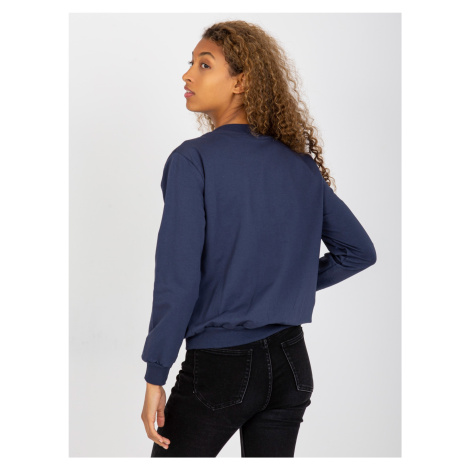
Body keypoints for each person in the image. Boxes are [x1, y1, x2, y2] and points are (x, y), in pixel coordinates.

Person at [140, 20, 377, 457]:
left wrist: (156, 372)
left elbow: (178, 280)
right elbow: (357, 252)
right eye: (191, 63)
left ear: (242, 81)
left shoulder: (192, 161)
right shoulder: (298, 164)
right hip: (291, 364)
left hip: (221, 368)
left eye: (204, 64)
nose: (187, 75)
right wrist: (286, 285)